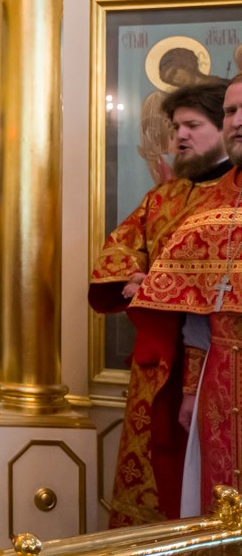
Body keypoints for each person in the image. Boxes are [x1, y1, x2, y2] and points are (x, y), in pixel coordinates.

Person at [90, 82, 231, 526]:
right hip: (155, 366)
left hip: (213, 364)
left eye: (193, 125)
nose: (180, 136)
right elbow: (119, 249)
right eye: (176, 126)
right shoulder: (161, 197)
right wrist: (136, 276)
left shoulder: (232, 197)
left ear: (225, 127)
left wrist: (158, 285)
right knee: (151, 473)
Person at [131, 75, 242, 517]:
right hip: (219, 380)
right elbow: (198, 312)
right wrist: (192, 391)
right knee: (217, 499)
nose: (238, 121)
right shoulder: (209, 207)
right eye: (231, 112)